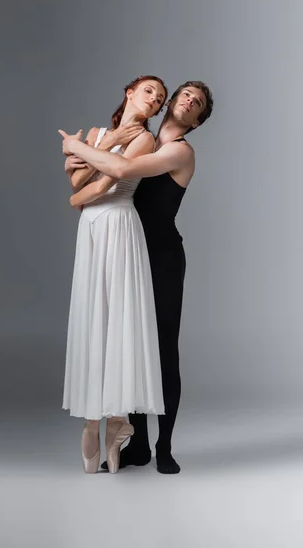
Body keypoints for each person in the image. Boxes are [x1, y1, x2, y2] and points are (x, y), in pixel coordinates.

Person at [61, 81, 213, 474]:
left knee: (161, 349)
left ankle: (163, 447)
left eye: (198, 104)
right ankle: (138, 445)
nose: (189, 101)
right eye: (184, 95)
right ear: (169, 103)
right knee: (125, 341)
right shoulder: (140, 137)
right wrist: (96, 152)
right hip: (125, 248)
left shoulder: (180, 151)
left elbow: (123, 170)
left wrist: (75, 147)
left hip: (160, 256)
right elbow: (93, 188)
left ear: (196, 121)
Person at [59, 75, 168, 474]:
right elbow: (76, 176)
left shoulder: (146, 141)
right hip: (91, 231)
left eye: (159, 99)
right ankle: (95, 419)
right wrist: (89, 148)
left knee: (118, 318)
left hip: (119, 224)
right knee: (94, 316)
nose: (155, 100)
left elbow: (103, 182)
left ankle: (117, 419)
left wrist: (78, 154)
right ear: (130, 93)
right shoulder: (97, 132)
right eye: (149, 91)